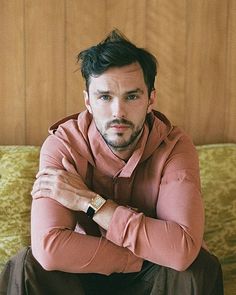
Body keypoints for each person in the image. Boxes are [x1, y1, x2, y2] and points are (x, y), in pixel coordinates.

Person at [0, 29, 223, 295]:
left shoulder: (174, 146)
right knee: (26, 264)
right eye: (105, 97)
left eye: (132, 96)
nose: (118, 112)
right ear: (88, 102)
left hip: (155, 280)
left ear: (150, 99)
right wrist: (145, 252)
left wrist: (90, 202)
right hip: (83, 269)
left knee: (198, 266)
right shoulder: (63, 145)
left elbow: (183, 250)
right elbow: (49, 249)